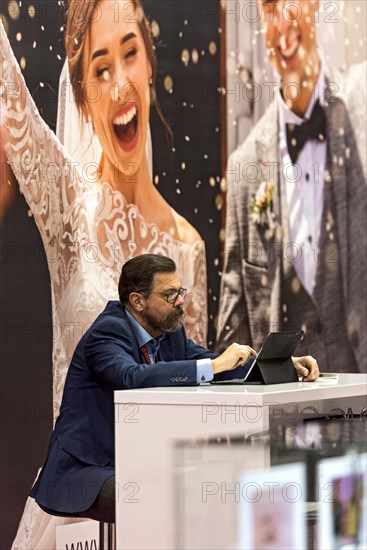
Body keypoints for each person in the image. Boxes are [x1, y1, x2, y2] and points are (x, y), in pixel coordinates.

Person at [0, 1, 207, 547]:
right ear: (84, 97)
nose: (119, 83)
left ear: (150, 65)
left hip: (160, 518)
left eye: (130, 54)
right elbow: (9, 92)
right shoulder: (63, 199)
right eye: (99, 67)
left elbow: (197, 408)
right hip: (74, 520)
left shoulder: (188, 248)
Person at [29, 254, 319, 523]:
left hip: (140, 461)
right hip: (86, 469)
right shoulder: (107, 332)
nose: (181, 302)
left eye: (181, 292)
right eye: (170, 295)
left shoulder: (168, 330)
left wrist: (279, 363)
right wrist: (216, 366)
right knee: (158, 499)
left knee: (220, 489)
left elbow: (212, 363)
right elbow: (131, 376)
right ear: (137, 301)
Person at [217, 0, 366, 373]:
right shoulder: (244, 166)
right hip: (282, 420)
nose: (282, 19)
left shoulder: (362, 117)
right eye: (268, 6)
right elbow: (233, 332)